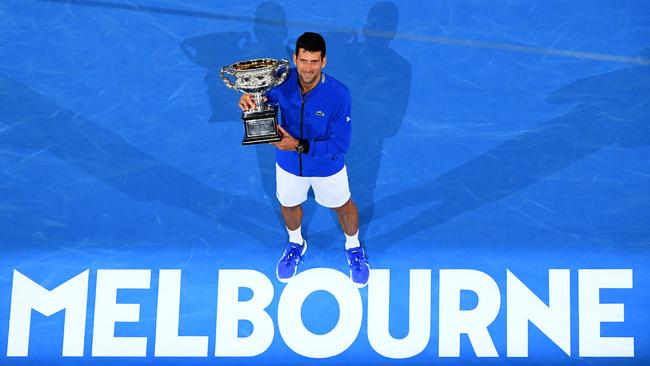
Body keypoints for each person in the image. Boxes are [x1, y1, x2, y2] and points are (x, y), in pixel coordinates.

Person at [239, 32, 370, 287]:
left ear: (324, 62)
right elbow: (263, 103)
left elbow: (340, 145)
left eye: (314, 62)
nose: (308, 68)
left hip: (326, 167)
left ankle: (353, 247)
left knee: (343, 207)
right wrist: (249, 101)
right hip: (288, 165)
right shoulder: (278, 82)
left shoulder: (339, 94)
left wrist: (297, 145)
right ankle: (296, 242)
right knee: (288, 205)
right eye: (303, 61)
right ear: (294, 58)